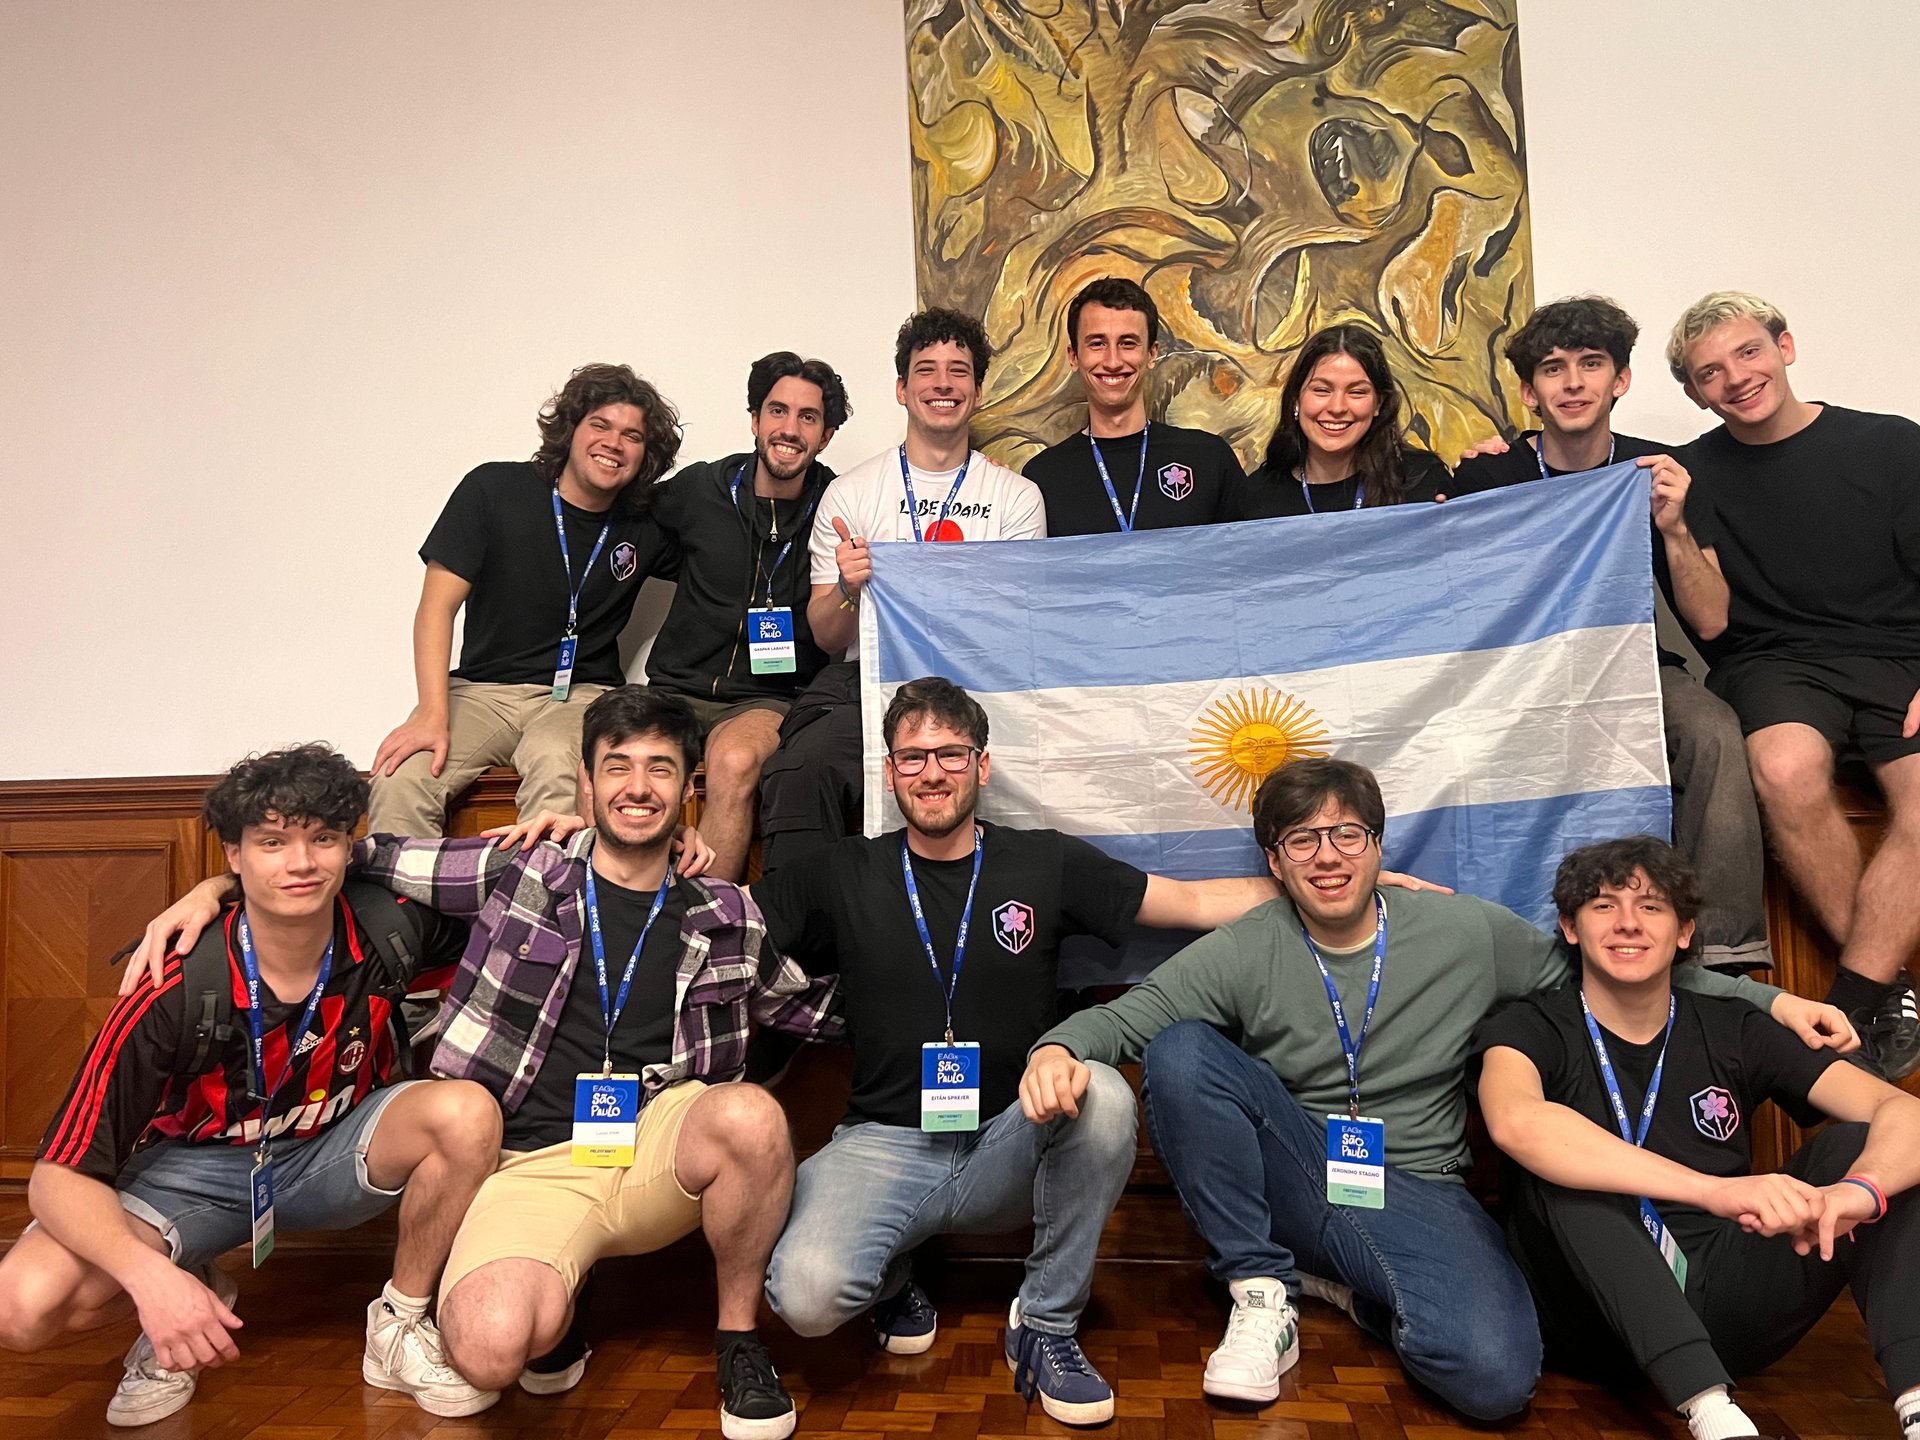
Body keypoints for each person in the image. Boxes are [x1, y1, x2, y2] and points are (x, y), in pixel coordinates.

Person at [1019, 757, 1855, 1421]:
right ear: (1274, 862)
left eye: (1346, 834)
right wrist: (1057, 1048)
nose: (1328, 856)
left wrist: (1774, 998)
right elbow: (1138, 1017)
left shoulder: (1466, 931)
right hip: (1302, 1169)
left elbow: (1613, 968)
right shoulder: (1250, 944)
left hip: (1421, 1186)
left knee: (1495, 1381)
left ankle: (1343, 1287)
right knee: (1182, 1052)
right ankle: (1260, 1288)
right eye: (1301, 841)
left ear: (1379, 846)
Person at [129, 689, 841, 1440]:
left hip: (656, 1154)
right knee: (488, 1350)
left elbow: (809, 1010)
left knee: (752, 1116)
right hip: (527, 1164)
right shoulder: (521, 872)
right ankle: (563, 1298)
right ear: (585, 780)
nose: (638, 787)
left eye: (661, 769)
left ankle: (738, 1339)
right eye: (618, 767)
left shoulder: (725, 913)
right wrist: (217, 886)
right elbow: (355, 857)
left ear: (689, 786)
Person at [755, 679, 1450, 1426]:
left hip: (1012, 1137)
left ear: (982, 767)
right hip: (883, 1144)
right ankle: (889, 1276)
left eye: (951, 754)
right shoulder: (842, 870)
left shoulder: (1043, 863)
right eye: (913, 757)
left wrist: (1347, 884)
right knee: (808, 1299)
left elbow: (1184, 903)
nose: (933, 772)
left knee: (1106, 1095)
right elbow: (726, 918)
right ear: (889, 773)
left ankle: (1047, 1323)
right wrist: (685, 853)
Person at [0, 745, 502, 1425]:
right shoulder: (173, 984)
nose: (301, 863)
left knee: (466, 1112)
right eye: (273, 842)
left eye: (323, 839)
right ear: (234, 854)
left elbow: (530, 902)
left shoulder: (389, 928)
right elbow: (55, 1178)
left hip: (337, 1153)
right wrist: (152, 1282)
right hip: (193, 1176)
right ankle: (190, 1284)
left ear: (347, 849)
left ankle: (399, 1325)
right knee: (22, 1306)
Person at [1473, 836, 1920, 1440]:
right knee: (1568, 1176)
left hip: (1725, 1301)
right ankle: (1713, 1415)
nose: (1628, 923)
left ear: (1684, 932)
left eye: (1652, 906)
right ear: (1569, 928)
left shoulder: (1735, 1027)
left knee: (1869, 1151)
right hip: (1590, 1318)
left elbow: (1901, 1111)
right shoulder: (1527, 1024)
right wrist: (1713, 1191)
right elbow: (1516, 1122)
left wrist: (1859, 1194)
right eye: (1604, 905)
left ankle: (1916, 1402)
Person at [1450, 296, 1771, 971]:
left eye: (1591, 365)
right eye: (1553, 369)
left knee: (1712, 733)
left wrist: (1676, 527)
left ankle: (1727, 961)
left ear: (1619, 380)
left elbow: (1711, 620)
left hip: (1630, 668)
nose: (1572, 383)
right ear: (1528, 391)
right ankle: (1490, 954)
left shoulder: (1656, 470)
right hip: (1519, 677)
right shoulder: (1489, 474)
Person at [1668, 291, 1920, 1077]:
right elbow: (1710, 624)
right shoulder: (1695, 471)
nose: (1736, 378)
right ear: (1694, 392)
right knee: (1782, 769)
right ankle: (1891, 987)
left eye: (1749, 353)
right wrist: (1674, 529)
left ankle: (1854, 998)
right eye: (1711, 372)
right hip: (1774, 663)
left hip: (1902, 655)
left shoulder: (1892, 445)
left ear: (1786, 347)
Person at [757, 310, 1045, 871]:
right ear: (901, 388)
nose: (943, 384)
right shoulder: (850, 493)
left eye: (959, 371)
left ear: (977, 391)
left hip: (976, 680)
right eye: (926, 370)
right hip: (866, 681)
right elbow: (825, 632)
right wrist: (846, 586)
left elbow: (1014, 628)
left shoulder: (1016, 498)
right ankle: (797, 942)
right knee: (801, 768)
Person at [368, 364, 681, 836]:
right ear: (571, 429)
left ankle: (534, 906)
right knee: (402, 778)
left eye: (632, 436)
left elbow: (721, 562)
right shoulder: (492, 490)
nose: (614, 443)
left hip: (581, 694)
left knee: (559, 764)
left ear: (646, 454)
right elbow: (436, 607)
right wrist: (432, 714)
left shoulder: (647, 523)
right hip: (481, 692)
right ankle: (407, 910)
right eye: (600, 425)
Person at [646, 352, 850, 880]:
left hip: (766, 699)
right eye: (777, 411)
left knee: (736, 763)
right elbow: (617, 518)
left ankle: (705, 932)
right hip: (674, 688)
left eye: (808, 417)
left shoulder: (840, 503)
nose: (790, 428)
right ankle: (617, 926)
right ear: (755, 420)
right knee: (615, 756)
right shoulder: (699, 489)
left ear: (825, 435)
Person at [1020, 277, 1245, 535]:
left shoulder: (1209, 459)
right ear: (1074, 357)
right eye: (1097, 344)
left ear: (1152, 354)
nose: (1113, 361)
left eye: (1128, 343)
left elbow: (1246, 565)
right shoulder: (1043, 477)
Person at [1224, 324, 1449, 519]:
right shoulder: (1258, 495)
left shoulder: (1422, 481)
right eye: (1322, 390)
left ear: (1378, 404)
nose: (1337, 407)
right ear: (1296, 400)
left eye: (1357, 392)